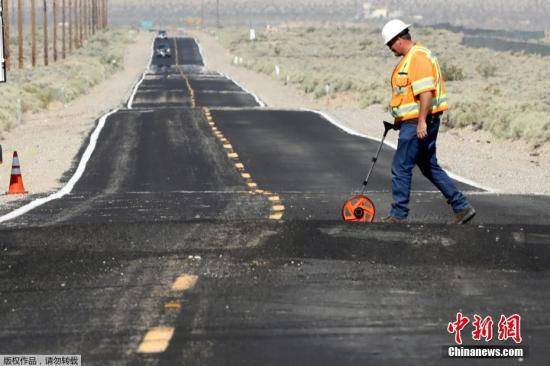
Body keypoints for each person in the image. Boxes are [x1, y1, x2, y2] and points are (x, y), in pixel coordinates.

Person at [380, 19, 476, 224]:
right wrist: (400, 119)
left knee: (401, 166)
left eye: (389, 44)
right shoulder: (412, 57)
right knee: (428, 165)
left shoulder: (418, 58)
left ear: (398, 40)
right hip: (413, 121)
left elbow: (425, 93)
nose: (390, 48)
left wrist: (421, 121)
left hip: (418, 123)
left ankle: (398, 215)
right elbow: (407, 95)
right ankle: (461, 207)